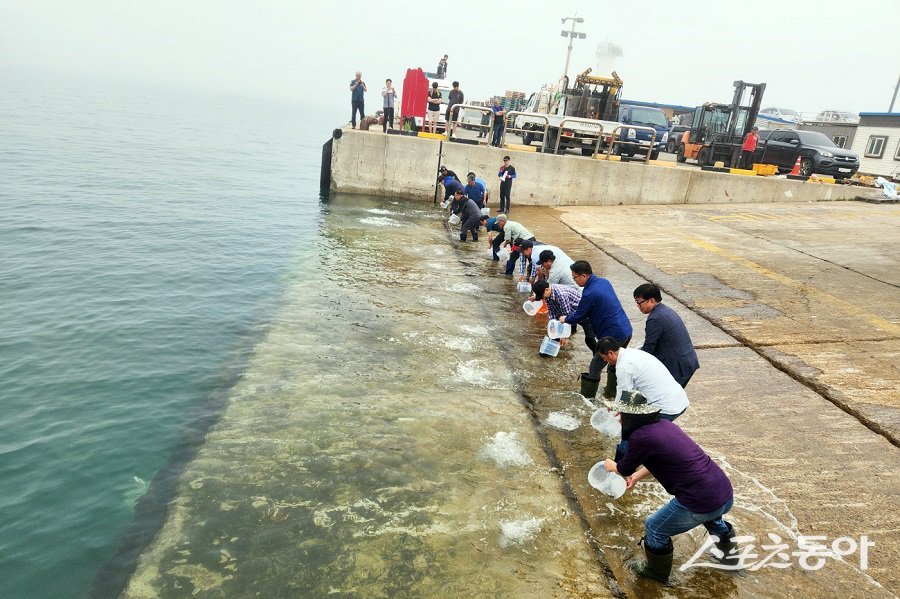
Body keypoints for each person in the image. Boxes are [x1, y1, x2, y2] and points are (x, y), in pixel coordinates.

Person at [601, 390, 738, 583]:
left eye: (621, 414)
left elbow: (622, 468)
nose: (618, 417)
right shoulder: (664, 425)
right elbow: (662, 457)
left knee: (655, 527)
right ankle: (731, 563)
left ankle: (656, 574)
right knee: (714, 520)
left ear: (630, 416)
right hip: (722, 492)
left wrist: (611, 466)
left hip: (698, 499)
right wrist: (638, 476)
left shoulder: (640, 437)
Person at [558, 261, 632, 399]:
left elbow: (579, 315)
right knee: (616, 362)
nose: (574, 281)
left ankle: (587, 400)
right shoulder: (604, 282)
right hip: (626, 330)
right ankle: (611, 394)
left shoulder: (590, 293)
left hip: (613, 335)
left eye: (575, 278)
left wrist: (565, 319)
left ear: (584, 276)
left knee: (595, 366)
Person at [594, 336, 689, 421]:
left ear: (610, 353)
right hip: (680, 400)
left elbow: (624, 395)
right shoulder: (633, 352)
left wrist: (614, 411)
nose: (604, 360)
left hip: (666, 408)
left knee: (636, 434)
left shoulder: (623, 367)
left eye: (604, 357)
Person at [633, 283, 699, 388]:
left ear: (651, 300)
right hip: (687, 361)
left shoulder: (655, 319)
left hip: (678, 367)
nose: (638, 306)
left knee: (666, 398)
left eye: (639, 303)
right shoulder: (665, 310)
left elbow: (649, 348)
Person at [532, 280, 596, 351]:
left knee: (590, 338)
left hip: (584, 313)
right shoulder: (548, 294)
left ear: (546, 290)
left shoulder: (561, 294)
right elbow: (552, 312)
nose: (543, 299)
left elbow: (566, 316)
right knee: (556, 334)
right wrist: (553, 327)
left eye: (542, 296)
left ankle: (598, 354)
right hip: (571, 312)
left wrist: (563, 335)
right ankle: (569, 336)